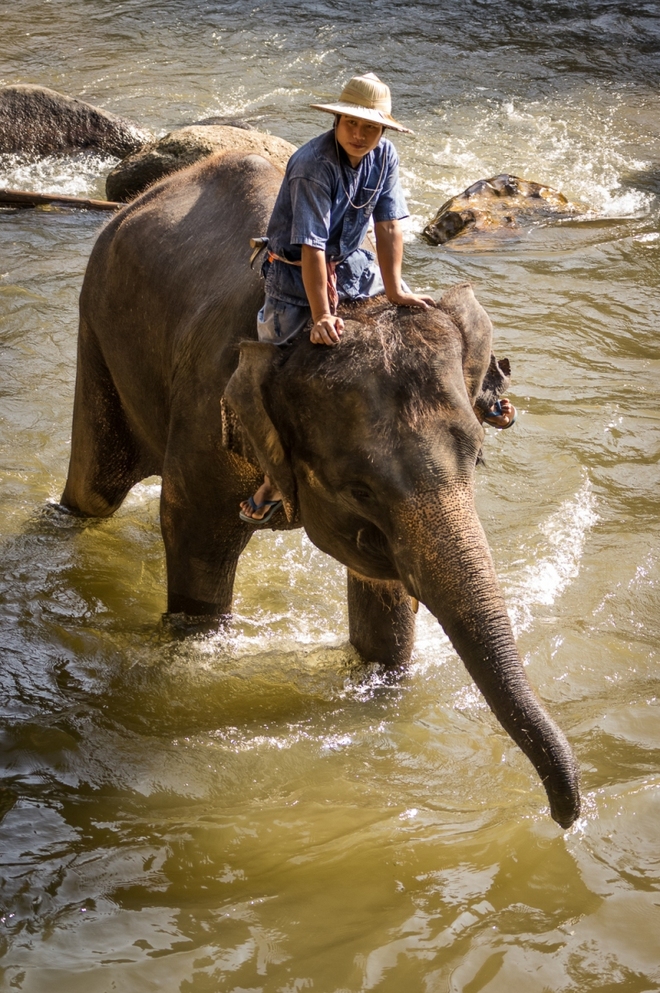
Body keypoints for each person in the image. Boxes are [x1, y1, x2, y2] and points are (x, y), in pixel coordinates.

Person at [239, 72, 514, 524]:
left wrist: (395, 288)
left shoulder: (383, 155)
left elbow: (388, 227)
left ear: (383, 129)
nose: (360, 134)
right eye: (352, 123)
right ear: (338, 120)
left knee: (422, 329)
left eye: (371, 127)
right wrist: (323, 315)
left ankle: (484, 393)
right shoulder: (314, 165)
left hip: (353, 263)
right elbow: (310, 247)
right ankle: (274, 475)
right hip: (294, 279)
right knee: (279, 375)